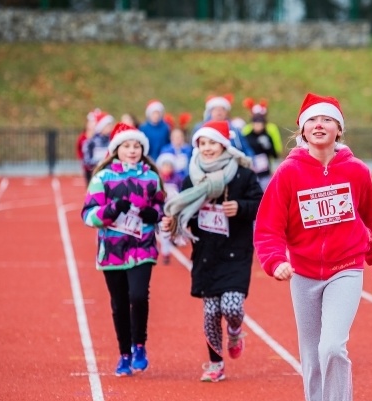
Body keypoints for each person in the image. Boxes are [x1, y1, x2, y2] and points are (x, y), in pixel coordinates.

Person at [253, 93, 372, 401]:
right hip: (302, 273)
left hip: (346, 268)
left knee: (333, 347)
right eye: (312, 120)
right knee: (313, 362)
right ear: (301, 129)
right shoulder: (288, 173)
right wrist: (275, 262)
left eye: (327, 120)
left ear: (339, 129)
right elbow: (268, 228)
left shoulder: (357, 172)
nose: (320, 125)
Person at [161, 120, 262, 383]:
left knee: (230, 306)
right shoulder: (191, 178)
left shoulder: (242, 174)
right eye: (202, 143)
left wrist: (240, 207)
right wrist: (172, 221)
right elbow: (183, 212)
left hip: (235, 252)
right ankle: (215, 363)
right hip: (206, 252)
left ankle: (236, 328)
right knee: (210, 312)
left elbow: (260, 204)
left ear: (224, 144)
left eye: (212, 142)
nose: (207, 148)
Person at [81, 122, 166, 377]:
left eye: (136, 146)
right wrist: (111, 210)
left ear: (143, 149)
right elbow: (88, 215)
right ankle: (124, 354)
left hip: (143, 247)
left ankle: (139, 345)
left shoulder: (151, 178)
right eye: (127, 146)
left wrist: (154, 214)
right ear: (116, 149)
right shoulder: (102, 178)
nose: (132, 150)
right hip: (113, 251)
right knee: (119, 303)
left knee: (139, 296)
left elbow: (162, 209)